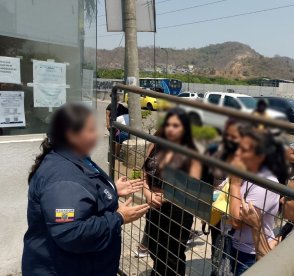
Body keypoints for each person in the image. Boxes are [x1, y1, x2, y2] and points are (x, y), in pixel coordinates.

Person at [22, 103, 149, 276]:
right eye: (90, 130)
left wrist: (111, 190)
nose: (97, 134)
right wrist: (118, 218)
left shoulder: (74, 157)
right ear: (71, 135)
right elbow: (70, 231)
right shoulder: (63, 178)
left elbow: (83, 193)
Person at [142, 108, 202, 276]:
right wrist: (147, 194)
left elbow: (193, 187)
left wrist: (166, 197)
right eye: (168, 124)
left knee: (172, 255)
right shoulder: (156, 143)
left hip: (178, 209)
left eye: (176, 125)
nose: (170, 129)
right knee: (154, 248)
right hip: (153, 205)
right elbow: (143, 172)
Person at [228, 126, 289, 276]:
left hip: (250, 254)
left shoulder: (266, 183)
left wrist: (234, 184)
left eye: (244, 150)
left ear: (260, 156)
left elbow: (237, 222)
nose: (237, 153)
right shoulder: (247, 172)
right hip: (237, 246)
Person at [201, 118, 242, 276]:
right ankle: (216, 270)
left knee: (231, 248)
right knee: (218, 244)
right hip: (217, 207)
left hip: (235, 209)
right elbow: (208, 179)